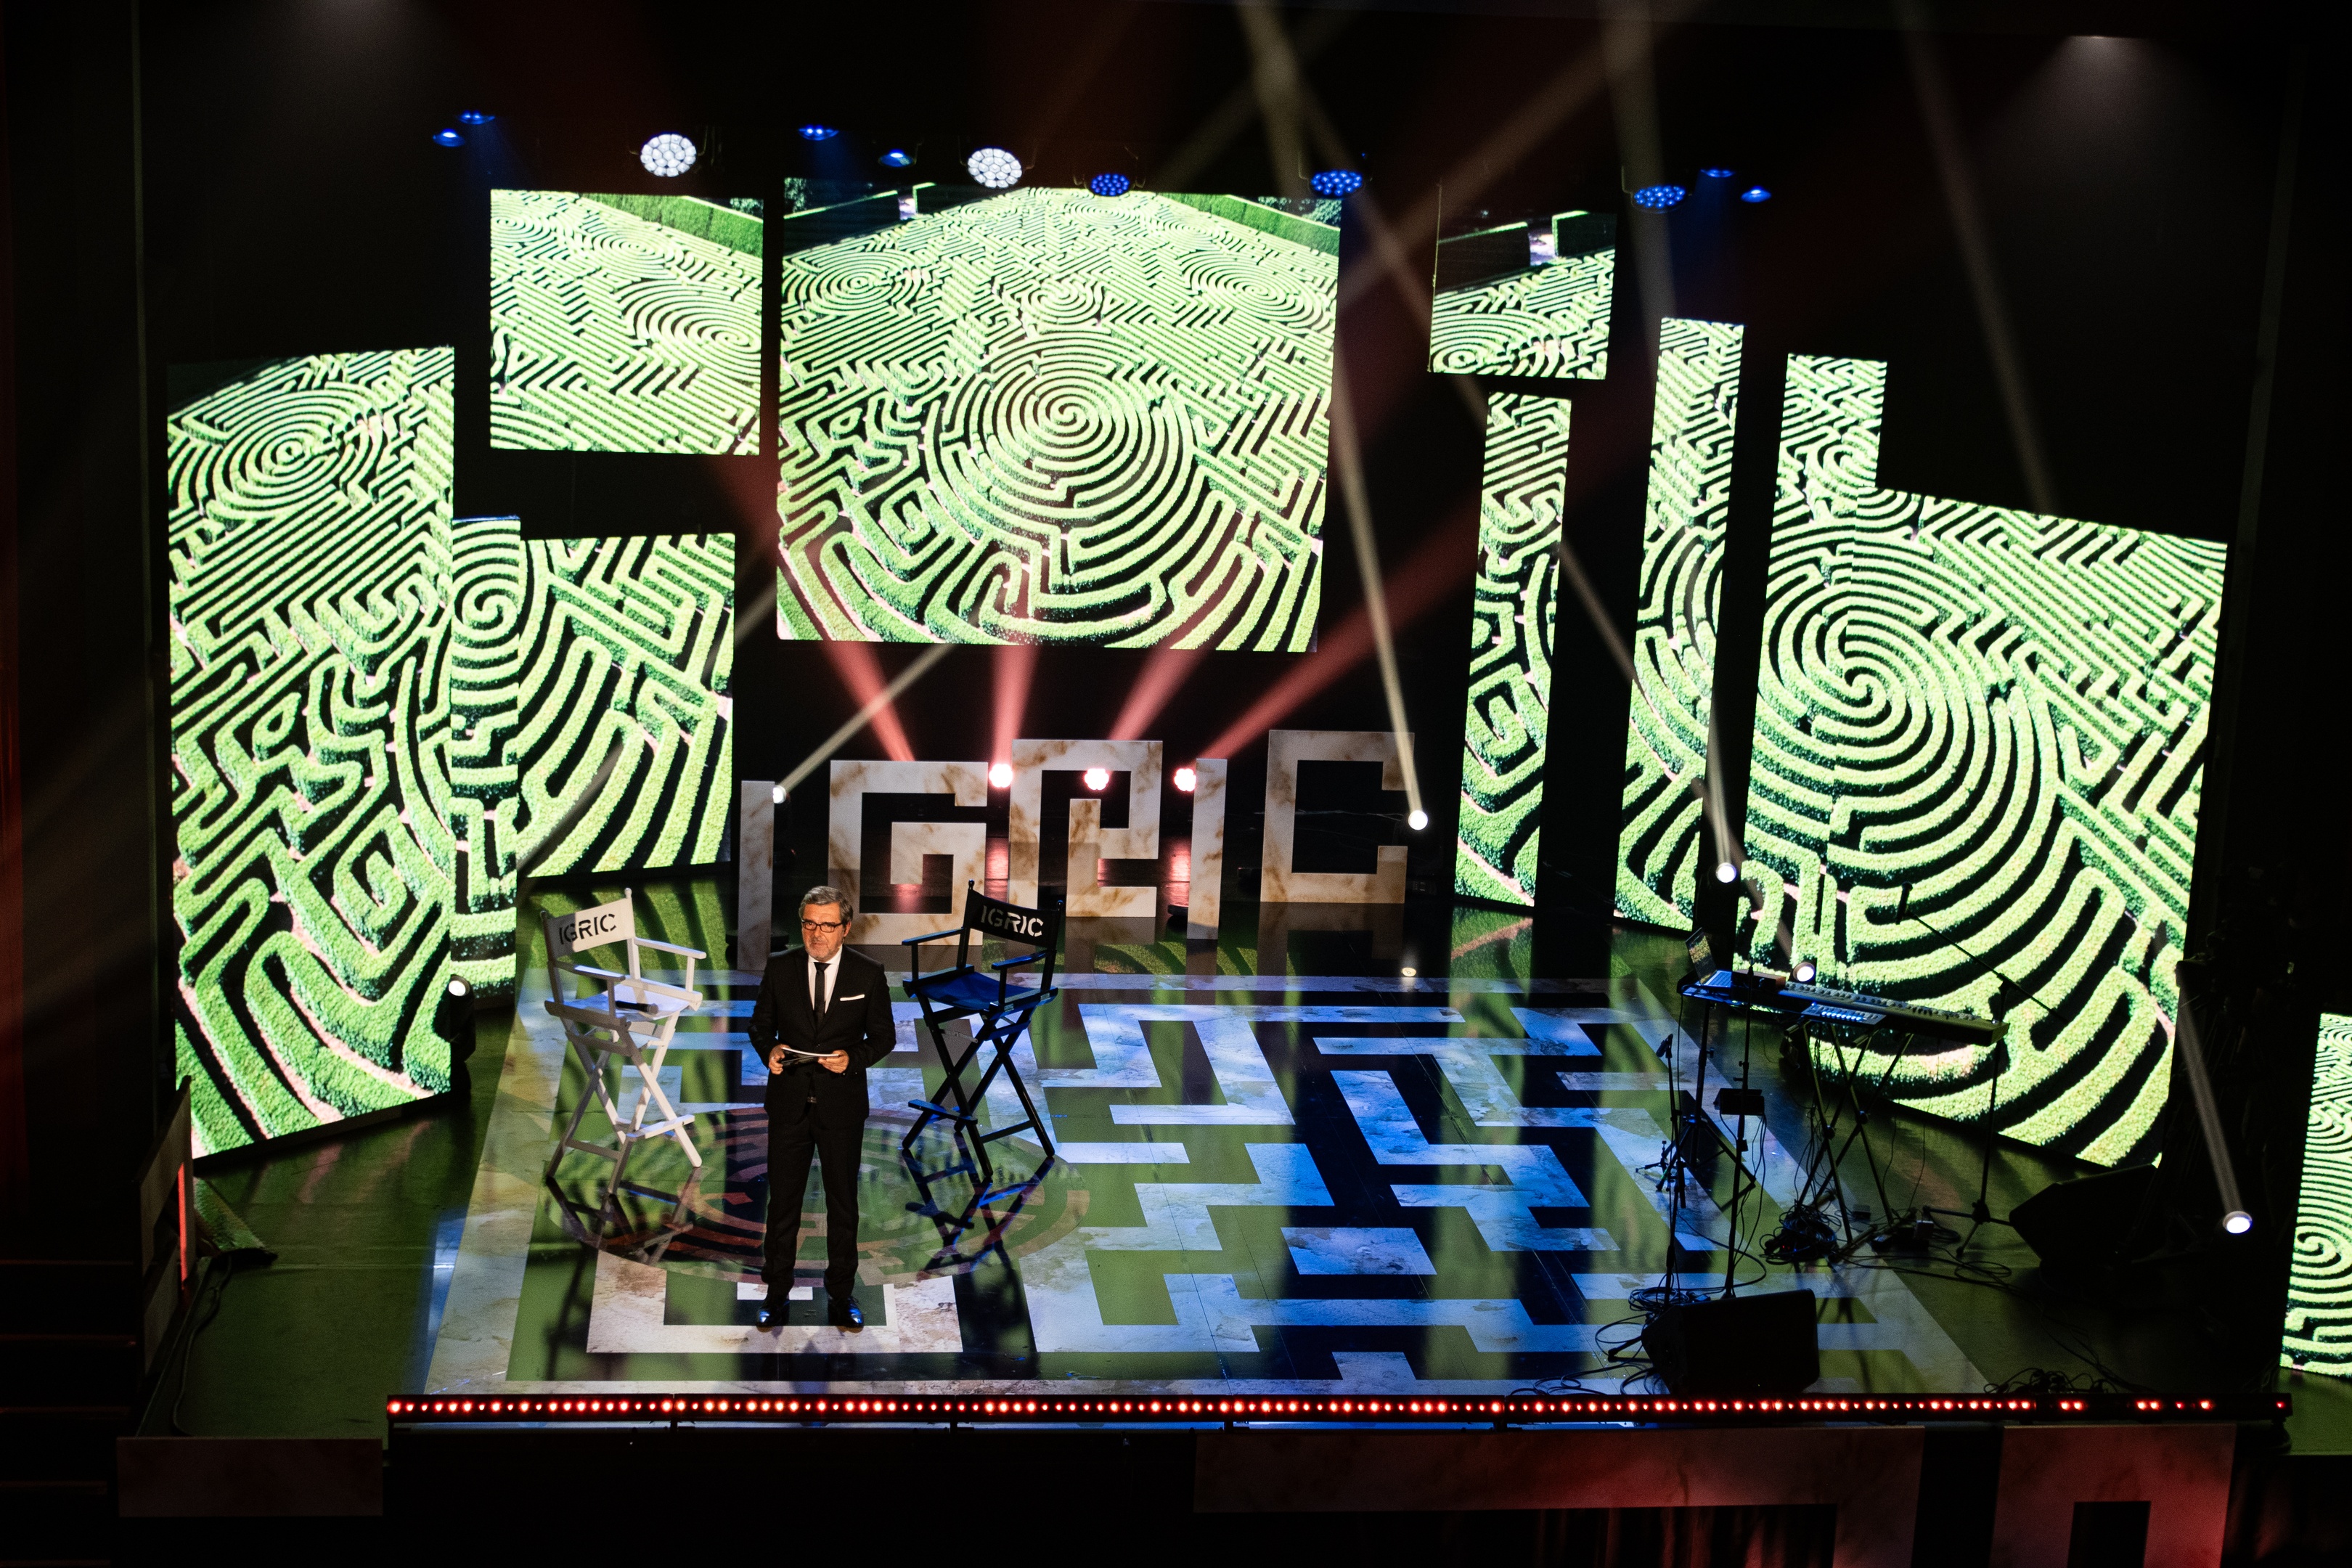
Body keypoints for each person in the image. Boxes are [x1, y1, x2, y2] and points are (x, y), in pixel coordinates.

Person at [748, 884, 895, 1329]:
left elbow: (884, 1037)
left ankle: (842, 1295)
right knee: (782, 1205)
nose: (816, 934)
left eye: (827, 926)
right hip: (789, 1105)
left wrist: (854, 1058)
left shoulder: (868, 974)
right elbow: (760, 1026)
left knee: (843, 1205)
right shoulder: (780, 967)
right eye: (809, 924)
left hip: (841, 1108)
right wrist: (770, 1050)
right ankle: (776, 1293)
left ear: (845, 929)